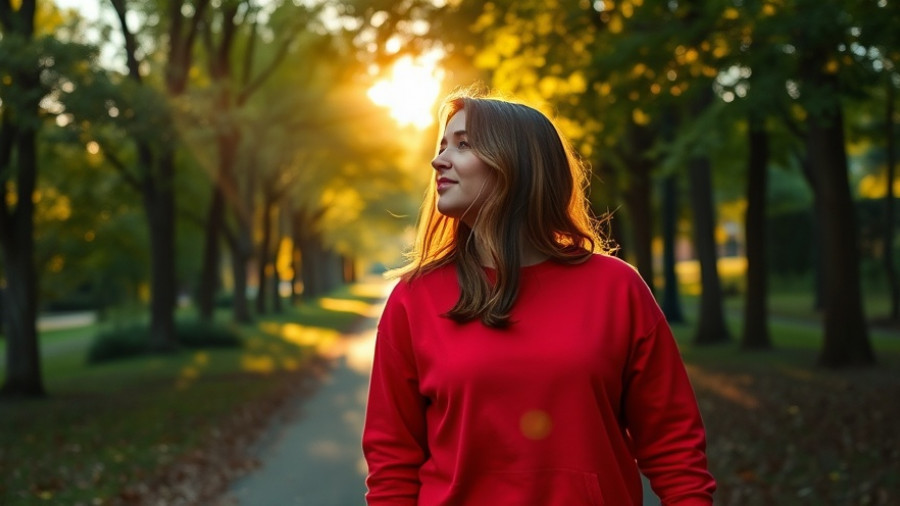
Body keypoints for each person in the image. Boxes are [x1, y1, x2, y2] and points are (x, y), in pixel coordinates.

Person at [362, 90, 715, 505]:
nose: (438, 160)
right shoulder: (414, 298)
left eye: (462, 144)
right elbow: (392, 462)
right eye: (442, 146)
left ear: (518, 162)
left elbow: (674, 446)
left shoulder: (617, 288)